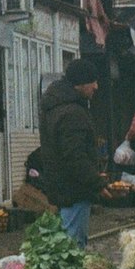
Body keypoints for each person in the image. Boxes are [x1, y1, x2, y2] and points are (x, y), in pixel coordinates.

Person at [40, 58, 108, 247]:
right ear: (80, 83)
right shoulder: (72, 113)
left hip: (61, 189)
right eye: (93, 81)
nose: (96, 86)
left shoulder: (56, 106)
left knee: (64, 245)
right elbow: (75, 157)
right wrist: (97, 182)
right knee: (73, 248)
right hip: (74, 191)